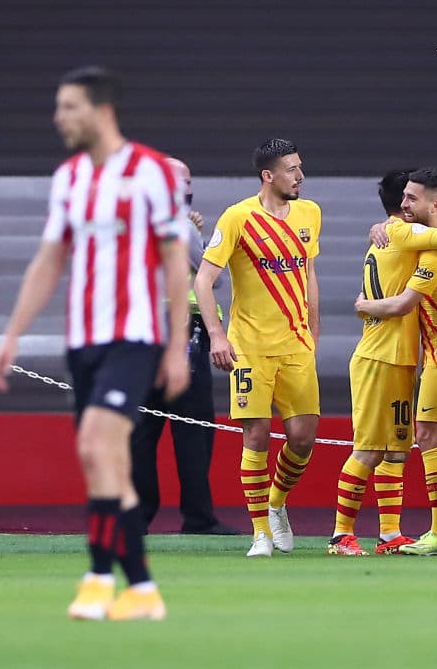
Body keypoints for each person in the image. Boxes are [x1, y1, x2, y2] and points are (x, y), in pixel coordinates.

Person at [0, 66, 190, 620]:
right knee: (105, 463)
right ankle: (142, 590)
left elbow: (175, 261)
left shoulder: (151, 172)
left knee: (99, 449)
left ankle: (98, 578)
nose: (59, 118)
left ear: (102, 111)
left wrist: (176, 346)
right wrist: (12, 334)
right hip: (84, 341)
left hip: (134, 337)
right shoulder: (69, 177)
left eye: (69, 107)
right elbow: (49, 259)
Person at [329, 169, 437, 556]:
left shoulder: (396, 234)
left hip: (405, 356)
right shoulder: (403, 234)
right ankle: (340, 536)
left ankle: (390, 533)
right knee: (369, 449)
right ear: (401, 206)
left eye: (414, 197)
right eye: (406, 198)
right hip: (379, 356)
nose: (408, 203)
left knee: (398, 449)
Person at [193, 138, 322, 558]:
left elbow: (308, 273)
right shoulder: (238, 217)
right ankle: (260, 533)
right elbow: (203, 280)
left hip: (296, 344)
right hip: (249, 347)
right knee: (257, 434)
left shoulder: (310, 213)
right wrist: (217, 334)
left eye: (300, 167)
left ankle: (276, 503)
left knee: (302, 438)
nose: (300, 176)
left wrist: (314, 330)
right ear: (268, 176)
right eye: (291, 169)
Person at [129, 157, 240, 536]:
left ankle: (138, 516)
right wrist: (199, 237)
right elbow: (213, 277)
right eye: (185, 181)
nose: (189, 188)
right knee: (194, 427)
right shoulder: (176, 221)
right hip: (183, 332)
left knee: (143, 428)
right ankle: (198, 517)